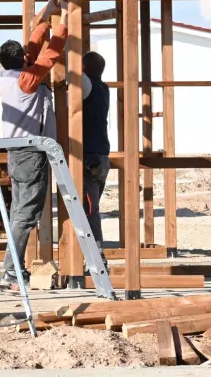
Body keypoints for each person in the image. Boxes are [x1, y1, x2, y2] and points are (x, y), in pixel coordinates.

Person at [0, 0, 68, 288]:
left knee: (19, 212)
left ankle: (12, 269)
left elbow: (34, 47)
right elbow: (49, 55)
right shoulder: (26, 80)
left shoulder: (9, 75)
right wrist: (64, 22)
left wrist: (47, 13)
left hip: (17, 153)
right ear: (22, 61)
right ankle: (11, 270)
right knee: (26, 215)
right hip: (29, 154)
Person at [81, 51, 111, 267]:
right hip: (100, 156)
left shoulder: (87, 86)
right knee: (91, 208)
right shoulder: (103, 88)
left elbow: (73, 73)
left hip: (89, 157)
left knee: (90, 210)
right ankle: (92, 254)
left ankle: (96, 256)